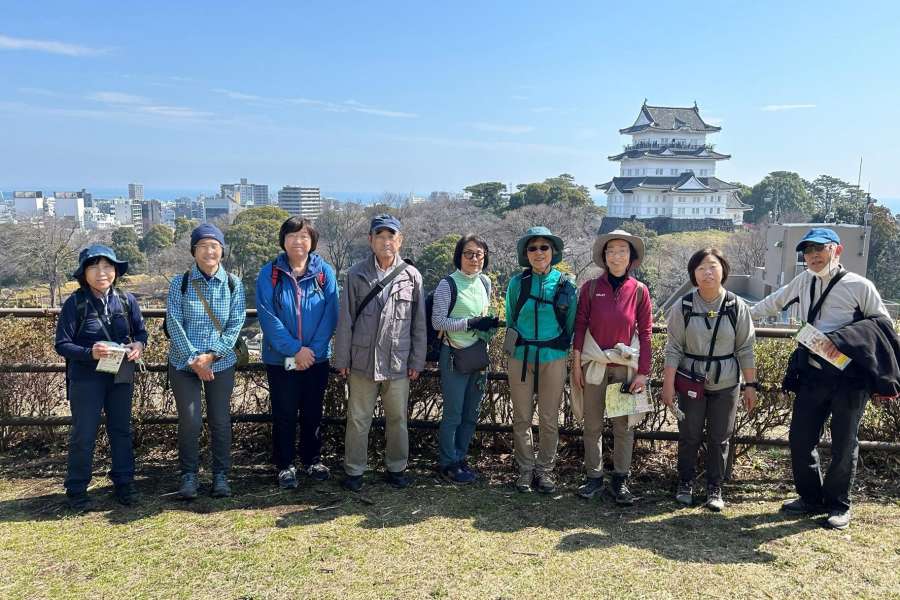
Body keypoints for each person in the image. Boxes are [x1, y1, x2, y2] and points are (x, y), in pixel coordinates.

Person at [750, 228, 891, 529]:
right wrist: (738, 315)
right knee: (800, 438)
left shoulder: (859, 286)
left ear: (836, 251)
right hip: (813, 373)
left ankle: (838, 504)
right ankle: (810, 497)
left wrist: (844, 339)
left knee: (844, 442)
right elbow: (771, 304)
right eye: (807, 251)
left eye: (820, 249)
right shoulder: (803, 281)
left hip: (850, 378)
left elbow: (882, 326)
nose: (813, 256)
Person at [333, 214, 426, 492]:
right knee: (358, 418)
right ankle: (354, 470)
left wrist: (417, 361)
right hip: (362, 360)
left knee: (398, 419)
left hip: (398, 360)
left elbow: (418, 323)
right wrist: (342, 359)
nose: (386, 241)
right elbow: (346, 320)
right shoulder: (356, 274)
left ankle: (397, 467)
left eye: (391, 236)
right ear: (370, 240)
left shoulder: (412, 276)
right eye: (380, 236)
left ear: (400, 241)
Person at [661, 247, 757, 512]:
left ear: (723, 270)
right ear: (693, 273)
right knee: (689, 434)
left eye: (713, 266)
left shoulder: (737, 306)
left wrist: (750, 385)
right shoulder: (684, 305)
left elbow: (746, 348)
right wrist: (668, 384)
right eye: (701, 267)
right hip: (691, 380)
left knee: (720, 437)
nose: (707, 272)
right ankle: (685, 482)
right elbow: (674, 347)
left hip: (726, 382)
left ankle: (715, 487)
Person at [54, 244, 148, 511]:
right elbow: (62, 344)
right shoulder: (76, 303)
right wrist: (89, 352)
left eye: (107, 267)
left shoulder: (127, 301)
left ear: (116, 271)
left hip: (119, 374)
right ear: (84, 273)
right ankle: (76, 490)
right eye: (94, 267)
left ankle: (124, 485)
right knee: (84, 433)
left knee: (121, 430)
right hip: (86, 378)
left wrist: (138, 346)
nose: (101, 273)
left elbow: (141, 333)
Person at [256, 217, 338, 489]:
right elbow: (268, 317)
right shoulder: (270, 273)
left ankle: (313, 459)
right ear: (283, 240)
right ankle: (285, 464)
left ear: (312, 241)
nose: (298, 241)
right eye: (292, 235)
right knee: (284, 412)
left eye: (304, 236)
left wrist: (311, 351)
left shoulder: (324, 271)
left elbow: (331, 313)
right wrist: (295, 350)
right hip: (281, 360)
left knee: (313, 411)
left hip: (316, 358)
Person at [572, 230, 652, 506]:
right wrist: (577, 364)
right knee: (591, 424)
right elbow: (580, 326)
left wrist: (643, 371)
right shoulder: (591, 288)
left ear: (631, 257)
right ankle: (593, 477)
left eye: (622, 250)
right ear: (604, 257)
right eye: (611, 251)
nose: (616, 256)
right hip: (594, 364)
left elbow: (645, 333)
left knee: (623, 426)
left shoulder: (639, 290)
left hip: (624, 367)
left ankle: (620, 479)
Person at [166, 224, 246, 499]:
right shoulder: (181, 283)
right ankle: (189, 476)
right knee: (190, 420)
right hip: (183, 363)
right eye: (203, 246)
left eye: (214, 246)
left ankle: (221, 475)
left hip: (220, 362)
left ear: (222, 251)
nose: (209, 251)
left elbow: (236, 324)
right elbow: (173, 323)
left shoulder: (233, 283)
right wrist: (194, 359)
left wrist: (211, 356)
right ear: (194, 251)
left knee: (220, 420)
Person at [504, 226, 576, 494]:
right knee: (521, 417)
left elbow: (569, 326)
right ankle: (525, 470)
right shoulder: (517, 284)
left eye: (544, 247)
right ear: (526, 253)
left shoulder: (565, 285)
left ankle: (544, 470)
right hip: (521, 356)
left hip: (553, 357)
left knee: (548, 418)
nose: (538, 252)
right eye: (532, 248)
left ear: (553, 252)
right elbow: (511, 319)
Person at [431, 234, 499, 484]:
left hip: (478, 355)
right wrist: (470, 323)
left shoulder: (485, 282)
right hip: (454, 355)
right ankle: (447, 462)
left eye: (479, 254)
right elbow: (438, 322)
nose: (474, 258)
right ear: (459, 256)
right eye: (468, 253)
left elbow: (482, 314)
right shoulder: (447, 284)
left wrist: (487, 326)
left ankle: (460, 458)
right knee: (453, 413)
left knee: (471, 412)